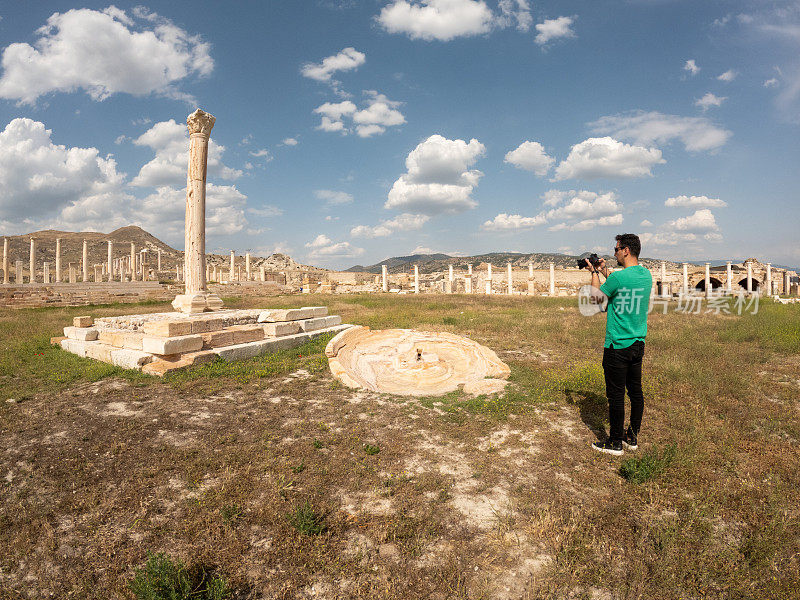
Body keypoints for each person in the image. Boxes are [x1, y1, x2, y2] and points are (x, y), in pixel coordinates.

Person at [583, 233, 652, 456]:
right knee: (635, 392)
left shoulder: (619, 279)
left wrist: (594, 273)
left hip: (617, 346)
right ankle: (631, 437)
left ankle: (613, 442)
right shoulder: (645, 275)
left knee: (615, 395)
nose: (614, 253)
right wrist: (605, 271)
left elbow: (595, 301)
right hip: (637, 343)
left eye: (616, 249)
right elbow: (622, 282)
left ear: (626, 250)